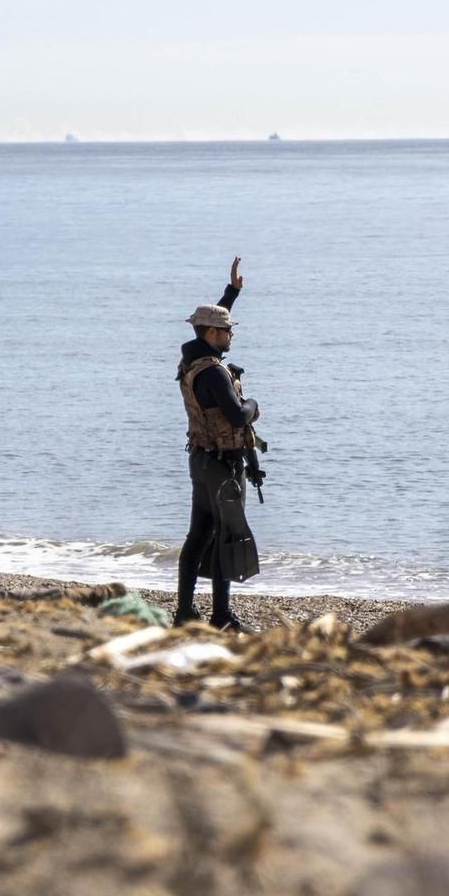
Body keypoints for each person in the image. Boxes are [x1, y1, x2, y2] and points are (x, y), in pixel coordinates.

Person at [175, 257, 265, 631]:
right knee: (227, 537)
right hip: (222, 466)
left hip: (200, 461)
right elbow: (238, 415)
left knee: (198, 535)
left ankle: (184, 613)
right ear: (211, 334)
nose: (231, 335)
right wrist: (255, 405)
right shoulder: (213, 373)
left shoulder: (193, 361)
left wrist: (232, 293)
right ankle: (222, 617)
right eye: (226, 331)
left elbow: (212, 320)